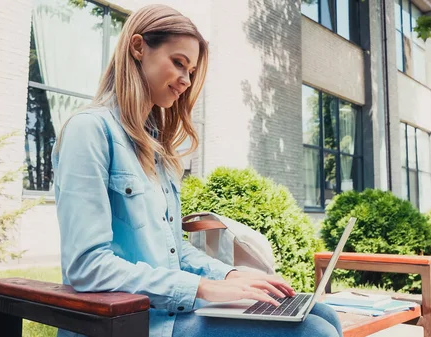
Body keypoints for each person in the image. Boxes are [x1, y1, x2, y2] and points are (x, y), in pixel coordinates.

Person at [52, 4, 342, 337]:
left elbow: (172, 249)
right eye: (178, 63)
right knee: (314, 332)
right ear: (137, 47)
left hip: (171, 310)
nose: (186, 81)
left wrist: (228, 276)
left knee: (323, 315)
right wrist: (201, 288)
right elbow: (87, 267)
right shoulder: (88, 131)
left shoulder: (155, 146)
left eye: (190, 70)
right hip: (132, 323)